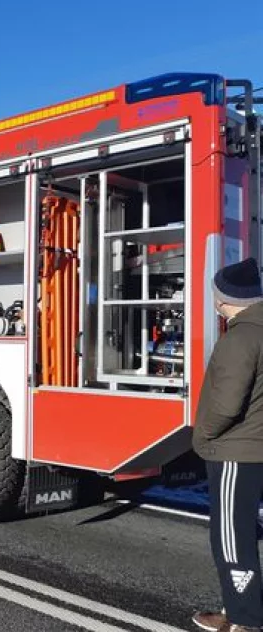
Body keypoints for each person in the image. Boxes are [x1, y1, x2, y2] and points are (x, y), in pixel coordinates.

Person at [192, 257, 263, 632]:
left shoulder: (239, 337)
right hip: (256, 448)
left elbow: (227, 403)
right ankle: (237, 607)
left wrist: (203, 436)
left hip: (236, 450)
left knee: (231, 538)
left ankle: (244, 621)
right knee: (246, 532)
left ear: (224, 299)